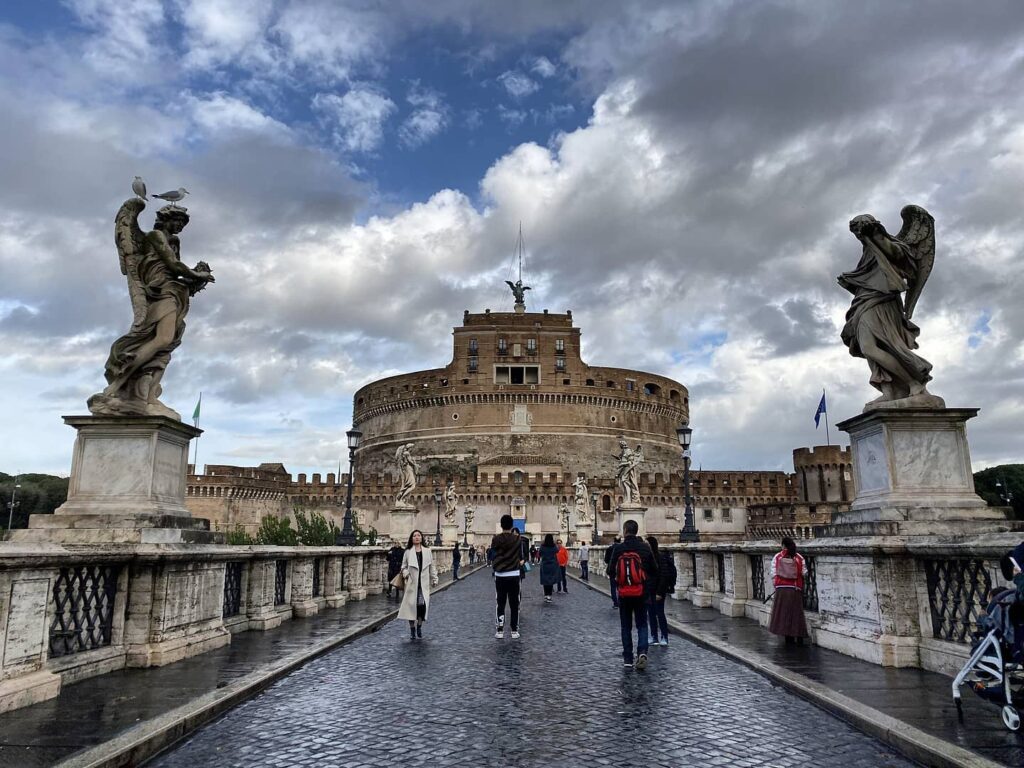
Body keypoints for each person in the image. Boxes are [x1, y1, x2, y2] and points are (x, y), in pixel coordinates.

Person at [608, 521, 658, 669]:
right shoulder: (645, 548)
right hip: (642, 593)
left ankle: (628, 659)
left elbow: (610, 571)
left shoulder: (619, 549)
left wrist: (620, 579)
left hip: (624, 594)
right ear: (636, 531)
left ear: (625, 531)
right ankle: (642, 651)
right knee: (642, 624)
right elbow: (655, 570)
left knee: (626, 627)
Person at [768, 537, 809, 645]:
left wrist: (777, 585)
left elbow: (773, 573)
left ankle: (788, 638)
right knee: (797, 614)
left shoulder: (778, 556)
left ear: (783, 545)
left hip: (781, 589)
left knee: (783, 615)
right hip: (795, 589)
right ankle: (799, 636)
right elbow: (804, 572)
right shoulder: (799, 557)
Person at [399, 530, 438, 640]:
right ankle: (412, 629)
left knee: (421, 607)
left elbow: (432, 567)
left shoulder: (427, 551)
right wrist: (406, 574)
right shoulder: (408, 552)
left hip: (423, 584)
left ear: (421, 538)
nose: (416, 537)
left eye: (418, 535)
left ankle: (419, 626)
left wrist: (435, 579)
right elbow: (403, 566)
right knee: (410, 608)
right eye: (414, 536)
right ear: (412, 538)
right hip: (412, 584)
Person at [490, 514, 524, 639]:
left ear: (501, 525)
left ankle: (500, 630)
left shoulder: (496, 539)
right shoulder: (517, 540)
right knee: (514, 603)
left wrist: (497, 565)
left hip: (500, 575)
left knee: (500, 602)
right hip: (514, 574)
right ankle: (514, 630)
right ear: (511, 525)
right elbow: (520, 556)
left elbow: (492, 554)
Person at [646, 536, 676, 646]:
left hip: (658, 590)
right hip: (649, 590)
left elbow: (664, 575)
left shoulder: (661, 557)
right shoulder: (647, 557)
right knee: (651, 614)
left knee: (660, 613)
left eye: (647, 544)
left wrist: (659, 592)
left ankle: (664, 636)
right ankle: (654, 636)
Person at [538, 534, 560, 603]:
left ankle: (546, 595)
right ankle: (549, 596)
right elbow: (557, 551)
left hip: (545, 565)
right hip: (552, 565)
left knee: (545, 580)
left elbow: (540, 554)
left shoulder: (542, 546)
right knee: (550, 580)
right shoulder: (553, 546)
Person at [605, 537, 621, 607]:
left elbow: (606, 560)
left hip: (612, 570)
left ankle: (615, 602)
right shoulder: (622, 549)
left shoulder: (609, 549)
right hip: (620, 570)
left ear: (614, 541)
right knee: (620, 587)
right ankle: (620, 601)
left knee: (613, 587)